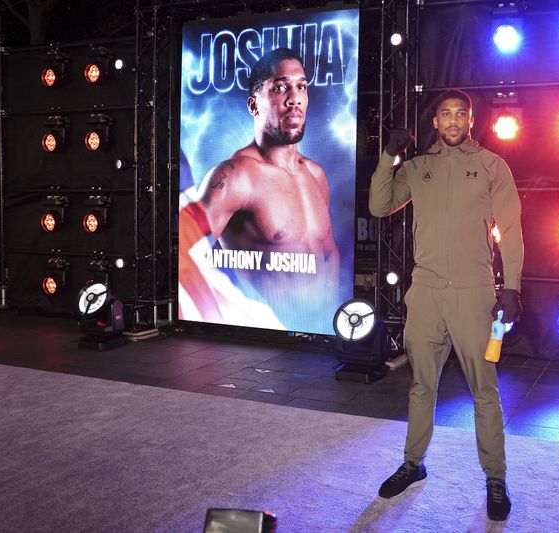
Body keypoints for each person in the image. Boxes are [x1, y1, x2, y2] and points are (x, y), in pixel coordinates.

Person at [369, 89, 523, 522]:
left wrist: (510, 288)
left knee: (484, 391)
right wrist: (390, 156)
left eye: (461, 114)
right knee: (421, 385)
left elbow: (510, 229)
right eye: (445, 115)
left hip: (474, 293)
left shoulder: (492, 166)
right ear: (435, 122)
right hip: (427, 293)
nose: (453, 121)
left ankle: (495, 476)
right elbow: (380, 205)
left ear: (470, 121)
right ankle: (413, 464)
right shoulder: (418, 168)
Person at [178, 47, 340, 332]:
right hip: (268, 337)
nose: (295, 99)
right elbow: (185, 254)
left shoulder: (316, 175)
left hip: (326, 331)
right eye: (280, 88)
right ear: (254, 105)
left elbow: (327, 256)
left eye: (301, 86)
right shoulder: (237, 176)